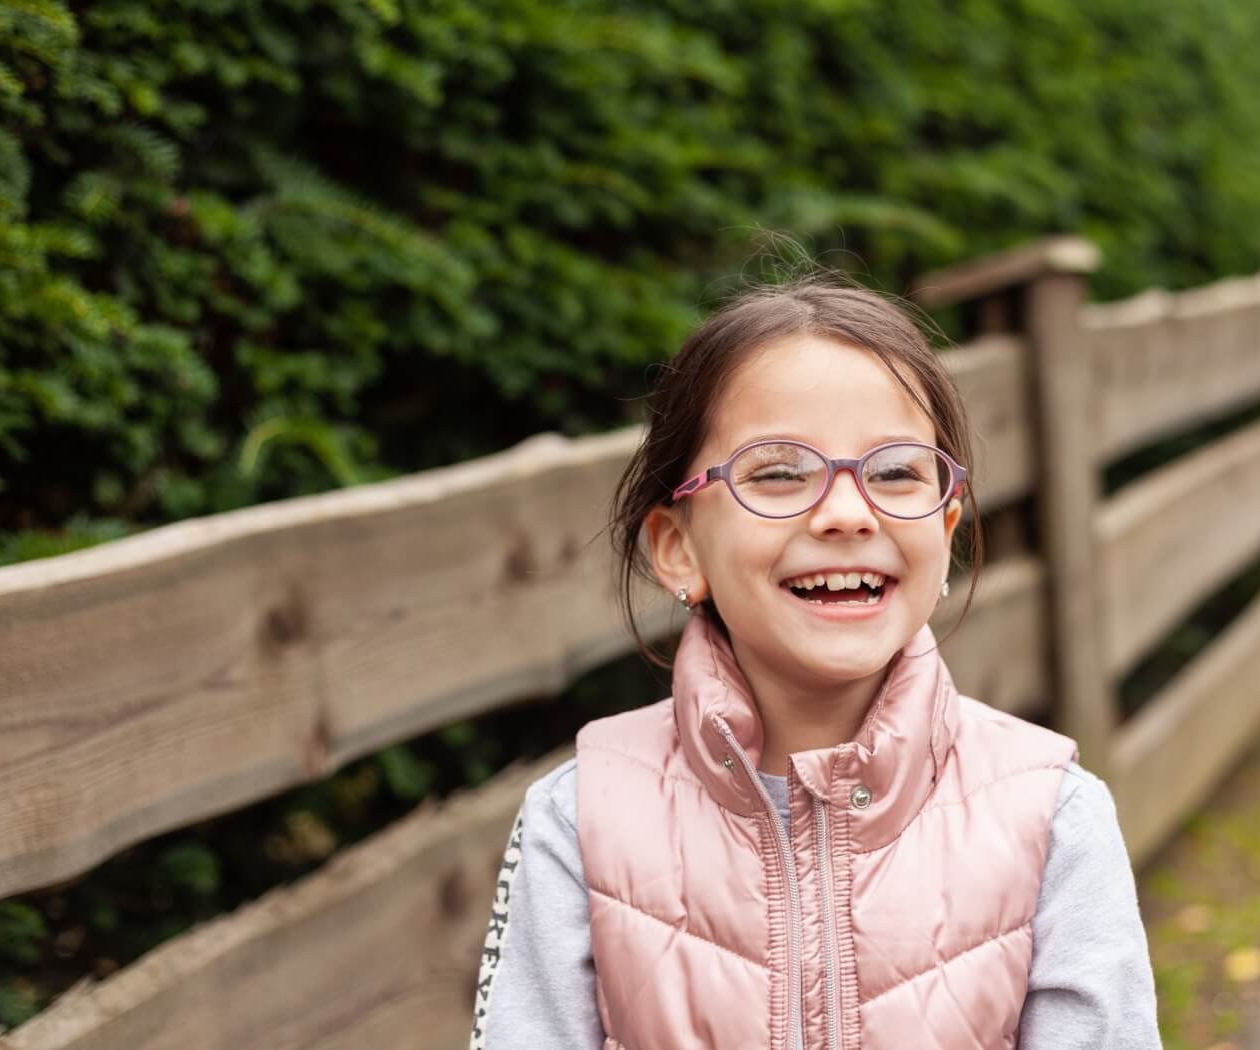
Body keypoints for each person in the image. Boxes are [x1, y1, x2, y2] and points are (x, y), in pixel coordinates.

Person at [470, 274, 1163, 1049]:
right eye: (777, 473)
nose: (845, 513)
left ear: (947, 533)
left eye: (897, 471)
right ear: (678, 547)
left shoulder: (1056, 817)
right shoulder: (577, 820)